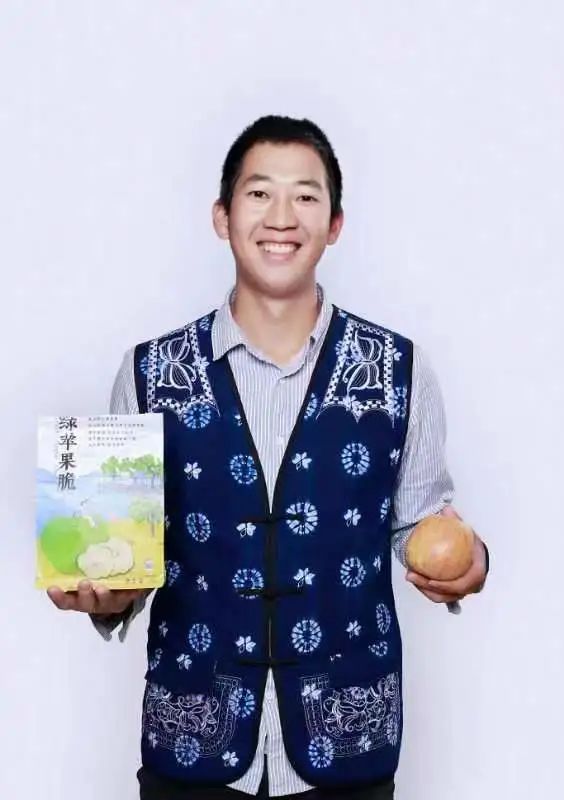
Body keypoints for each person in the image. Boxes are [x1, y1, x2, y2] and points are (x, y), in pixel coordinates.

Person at [47, 115, 489, 799]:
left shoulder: (398, 369)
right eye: (259, 194)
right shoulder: (149, 373)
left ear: (334, 224)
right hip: (191, 739)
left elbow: (423, 523)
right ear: (222, 217)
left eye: (306, 196)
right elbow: (126, 551)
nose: (282, 217)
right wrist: (108, 597)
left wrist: (470, 562)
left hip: (350, 741)